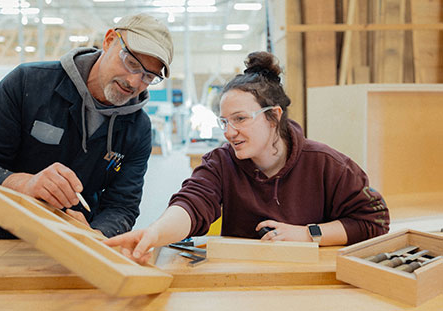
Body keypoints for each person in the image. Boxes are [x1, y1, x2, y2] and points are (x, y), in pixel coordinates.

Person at [105, 51, 390, 263]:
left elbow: (374, 221)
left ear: (273, 117)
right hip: (241, 280)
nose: (229, 132)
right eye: (224, 121)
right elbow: (192, 204)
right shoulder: (221, 162)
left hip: (313, 283)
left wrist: (309, 233)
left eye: (240, 119)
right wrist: (154, 234)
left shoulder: (327, 164)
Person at [0, 13, 174, 239]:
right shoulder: (27, 83)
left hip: (67, 251)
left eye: (148, 76)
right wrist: (25, 184)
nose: (134, 82)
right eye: (131, 62)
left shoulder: (138, 129)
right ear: (108, 41)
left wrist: (95, 235)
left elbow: (122, 206)